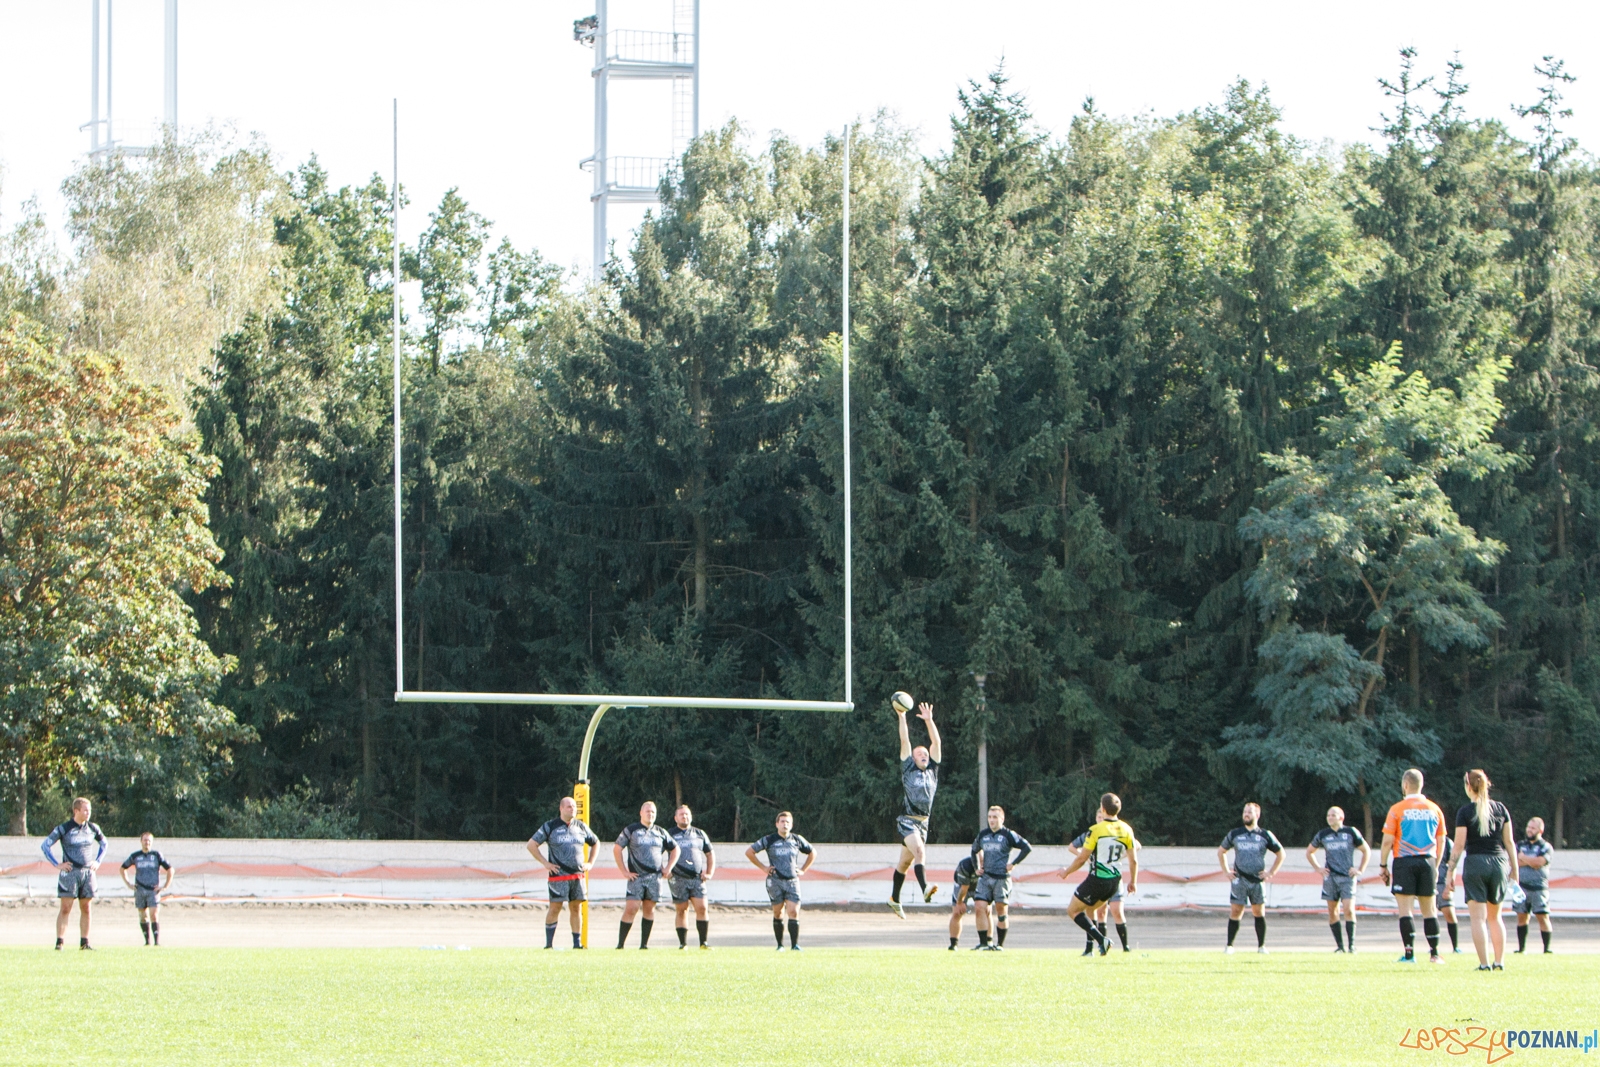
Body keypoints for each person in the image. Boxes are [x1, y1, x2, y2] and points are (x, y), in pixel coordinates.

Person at [1444, 768, 1518, 971]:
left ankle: (1484, 963)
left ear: (1469, 786)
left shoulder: (1465, 812)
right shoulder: (1501, 809)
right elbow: (1509, 842)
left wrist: (1450, 872)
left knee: (1478, 918)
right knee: (1496, 917)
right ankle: (1499, 962)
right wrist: (1515, 870)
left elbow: (1458, 846)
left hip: (1476, 863)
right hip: (1499, 863)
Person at [1379, 767, 1448, 964]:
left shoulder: (1397, 809)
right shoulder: (1434, 809)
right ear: (1421, 785)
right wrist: (1436, 864)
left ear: (1405, 785)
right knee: (1430, 910)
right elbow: (1441, 840)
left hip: (1404, 861)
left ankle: (1409, 954)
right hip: (1428, 861)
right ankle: (1434, 954)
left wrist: (1383, 865)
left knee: (1406, 910)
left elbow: (1387, 841)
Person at [1057, 793, 1138, 956]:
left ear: (1102, 808)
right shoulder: (1127, 829)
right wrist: (1133, 882)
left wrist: (1066, 872)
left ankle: (1102, 941)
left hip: (1098, 879)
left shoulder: (1096, 830)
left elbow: (1081, 858)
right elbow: (1133, 861)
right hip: (1115, 881)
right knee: (1090, 909)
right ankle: (1093, 948)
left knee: (1072, 910)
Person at [887, 697, 942, 917]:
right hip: (908, 820)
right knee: (920, 851)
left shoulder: (933, 771)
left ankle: (894, 898)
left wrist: (929, 721)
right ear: (912, 758)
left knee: (904, 863)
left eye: (925, 754)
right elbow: (904, 741)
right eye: (920, 753)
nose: (924, 755)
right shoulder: (908, 767)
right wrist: (902, 717)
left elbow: (936, 744)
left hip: (923, 823)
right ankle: (925, 888)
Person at [528, 796, 599, 949]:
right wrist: (545, 863)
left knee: (576, 908)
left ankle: (576, 944)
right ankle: (549, 944)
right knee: (555, 908)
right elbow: (531, 845)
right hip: (558, 877)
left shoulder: (581, 826)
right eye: (568, 806)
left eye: (574, 806)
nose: (572, 808)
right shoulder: (550, 826)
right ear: (561, 808)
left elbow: (595, 842)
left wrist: (590, 863)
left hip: (577, 876)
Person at [1218, 802, 1284, 954]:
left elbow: (1281, 854)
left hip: (1257, 881)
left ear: (1257, 815)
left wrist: (1271, 872)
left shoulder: (1265, 834)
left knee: (1259, 912)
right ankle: (1229, 946)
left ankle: (1261, 946)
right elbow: (1221, 851)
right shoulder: (1235, 833)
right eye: (1245, 812)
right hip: (1239, 880)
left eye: (1250, 812)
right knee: (1235, 911)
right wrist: (1226, 871)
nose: (1246, 814)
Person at [612, 800, 680, 950]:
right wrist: (624, 871)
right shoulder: (632, 830)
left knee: (649, 909)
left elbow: (676, 849)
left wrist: (668, 867)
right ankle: (620, 944)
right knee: (632, 908)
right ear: (641, 813)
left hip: (654, 878)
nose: (650, 814)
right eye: (648, 811)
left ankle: (644, 945)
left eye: (653, 812)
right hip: (636, 877)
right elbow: (617, 848)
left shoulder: (660, 832)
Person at [41, 797, 106, 951]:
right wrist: (57, 864)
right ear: (76, 811)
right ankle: (60, 943)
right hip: (70, 873)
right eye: (85, 810)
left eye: (89, 810)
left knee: (86, 907)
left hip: (87, 873)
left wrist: (97, 861)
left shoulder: (93, 828)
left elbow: (104, 843)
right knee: (66, 907)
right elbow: (45, 845)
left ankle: (85, 943)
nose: (88, 813)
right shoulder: (64, 828)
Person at [746, 811, 815, 950]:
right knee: (778, 912)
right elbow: (749, 852)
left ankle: (795, 945)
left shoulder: (797, 839)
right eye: (782, 821)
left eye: (788, 822)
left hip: (792, 881)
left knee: (793, 911)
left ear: (792, 825)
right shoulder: (769, 839)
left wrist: (803, 870)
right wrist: (764, 868)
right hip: (775, 881)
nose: (785, 824)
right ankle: (780, 945)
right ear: (777, 824)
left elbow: (813, 852)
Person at [1306, 806, 1369, 953]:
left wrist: (1360, 869)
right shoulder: (1323, 834)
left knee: (1348, 909)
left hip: (1347, 877)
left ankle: (1351, 945)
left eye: (1333, 815)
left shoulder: (1350, 832)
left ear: (1341, 817)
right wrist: (1318, 868)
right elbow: (1310, 852)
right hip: (1330, 878)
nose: (1330, 818)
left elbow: (1366, 850)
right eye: (1328, 815)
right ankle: (1340, 946)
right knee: (1332, 911)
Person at [971, 805, 1032, 951]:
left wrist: (1013, 863)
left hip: (1002, 879)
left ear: (1002, 819)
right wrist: (976, 868)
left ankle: (1000, 945)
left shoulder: (1008, 834)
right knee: (980, 907)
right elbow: (974, 850)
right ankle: (984, 943)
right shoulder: (983, 835)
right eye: (990, 817)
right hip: (986, 878)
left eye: (995, 817)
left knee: (1001, 912)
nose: (991, 820)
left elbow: (1027, 847)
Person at [669, 804, 716, 950]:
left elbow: (710, 854)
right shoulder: (669, 834)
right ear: (676, 818)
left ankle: (703, 943)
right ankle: (683, 944)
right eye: (681, 814)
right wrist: (666, 869)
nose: (685, 817)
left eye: (687, 814)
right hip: (678, 878)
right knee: (682, 909)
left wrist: (709, 872)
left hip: (697, 878)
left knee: (702, 908)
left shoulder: (699, 833)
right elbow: (657, 852)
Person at [119, 832, 173, 946]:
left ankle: (157, 942)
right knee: (143, 916)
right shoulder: (135, 856)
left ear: (151, 842)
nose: (147, 842)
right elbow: (122, 868)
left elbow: (170, 869)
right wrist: (128, 884)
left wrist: (166, 885)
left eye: (149, 840)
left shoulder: (157, 855)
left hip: (153, 890)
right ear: (141, 841)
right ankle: (147, 941)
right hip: (140, 889)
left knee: (154, 914)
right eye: (145, 840)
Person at [1514, 816, 1554, 954]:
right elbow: (1514, 862)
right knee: (1521, 917)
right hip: (1521, 887)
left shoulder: (1545, 846)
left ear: (1540, 830)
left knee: (1543, 917)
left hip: (1539, 888)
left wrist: (1524, 858)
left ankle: (1547, 949)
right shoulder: (1520, 845)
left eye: (1533, 828)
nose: (1529, 830)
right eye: (1528, 827)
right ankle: (1521, 949)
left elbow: (1539, 863)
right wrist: (1531, 861)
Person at [1437, 837, 1463, 954]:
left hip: (1442, 882)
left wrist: (1450, 883)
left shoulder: (1447, 842)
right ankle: (1433, 947)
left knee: (1449, 914)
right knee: (1430, 915)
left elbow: (1453, 863)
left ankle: (1455, 947)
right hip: (1428, 881)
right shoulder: (1424, 838)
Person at [948, 854, 979, 950]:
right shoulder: (965, 865)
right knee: (957, 913)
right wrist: (960, 902)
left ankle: (986, 942)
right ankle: (954, 944)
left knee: (985, 910)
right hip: (962, 886)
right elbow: (964, 887)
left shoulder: (989, 864)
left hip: (978, 886)